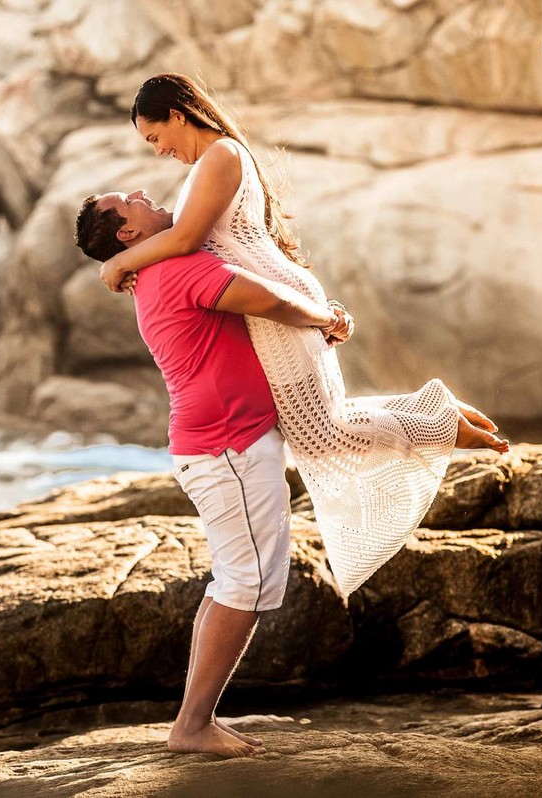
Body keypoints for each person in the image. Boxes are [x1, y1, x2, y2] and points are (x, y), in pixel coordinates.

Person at [98, 73, 509, 597]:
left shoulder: (221, 156)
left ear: (177, 115)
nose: (158, 152)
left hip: (274, 307)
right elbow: (183, 242)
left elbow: (185, 238)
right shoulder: (209, 165)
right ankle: (436, 416)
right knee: (321, 429)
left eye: (155, 138)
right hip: (271, 303)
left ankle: (439, 422)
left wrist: (118, 265)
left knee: (324, 435)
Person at [74, 187, 352, 758]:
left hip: (221, 444)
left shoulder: (158, 266)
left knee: (234, 580)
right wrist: (328, 317)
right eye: (127, 201)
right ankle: (193, 727)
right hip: (229, 447)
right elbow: (266, 301)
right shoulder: (174, 268)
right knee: (246, 585)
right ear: (127, 233)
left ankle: (193, 721)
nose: (141, 192)